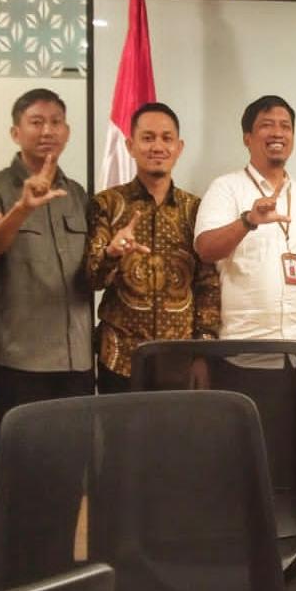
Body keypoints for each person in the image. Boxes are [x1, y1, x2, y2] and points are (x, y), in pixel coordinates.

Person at [0, 89, 93, 440]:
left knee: (74, 461)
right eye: (36, 122)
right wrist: (22, 209)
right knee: (23, 461)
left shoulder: (77, 193)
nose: (47, 131)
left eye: (56, 122)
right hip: (18, 360)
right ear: (15, 132)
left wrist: (113, 254)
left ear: (67, 132)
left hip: (77, 359)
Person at [86, 102, 220, 393]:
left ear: (179, 147)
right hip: (120, 357)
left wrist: (204, 352)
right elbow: (91, 280)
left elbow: (208, 285)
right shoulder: (106, 204)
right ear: (130, 146)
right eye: (147, 138)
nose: (158, 146)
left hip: (181, 358)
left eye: (166, 138)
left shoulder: (195, 209)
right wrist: (111, 254)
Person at [195, 95, 296, 371]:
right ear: (248, 138)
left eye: (285, 126)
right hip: (247, 352)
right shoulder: (226, 188)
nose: (278, 133)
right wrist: (248, 221)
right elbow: (205, 249)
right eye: (267, 125)